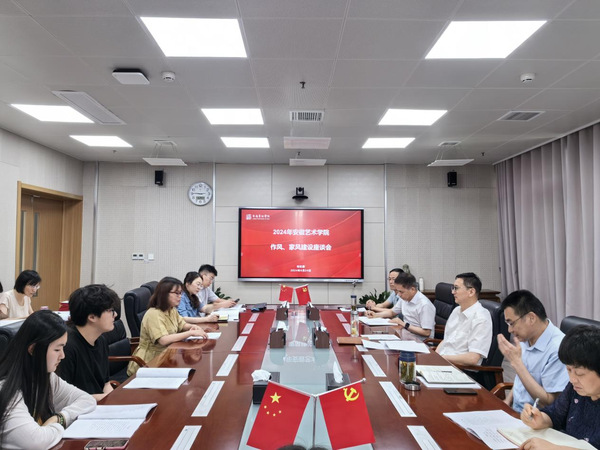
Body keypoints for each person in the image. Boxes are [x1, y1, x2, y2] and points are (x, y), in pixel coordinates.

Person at [0, 310, 96, 449]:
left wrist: (59, 418)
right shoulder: (6, 388)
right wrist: (59, 425)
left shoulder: (45, 377)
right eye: (57, 350)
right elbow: (36, 441)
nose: (62, 356)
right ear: (33, 349)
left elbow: (87, 400)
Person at [520, 325, 600, 449]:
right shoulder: (575, 389)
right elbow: (555, 415)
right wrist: (540, 420)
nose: (572, 379)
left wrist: (555, 448)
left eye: (579, 373)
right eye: (568, 370)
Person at [498, 290, 569, 413]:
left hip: (536, 418)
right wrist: (507, 402)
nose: (509, 330)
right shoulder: (526, 337)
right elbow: (521, 378)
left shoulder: (557, 349)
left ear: (531, 318)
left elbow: (549, 402)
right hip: (515, 411)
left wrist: (517, 363)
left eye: (512, 323)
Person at [127, 277, 208, 376]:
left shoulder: (171, 309)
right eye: (176, 293)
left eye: (181, 293)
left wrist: (192, 327)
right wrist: (190, 333)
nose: (180, 296)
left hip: (167, 356)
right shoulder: (154, 314)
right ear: (164, 294)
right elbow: (163, 340)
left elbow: (182, 324)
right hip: (149, 362)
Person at [58, 284, 120, 401]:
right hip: (76, 408)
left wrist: (114, 401)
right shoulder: (66, 346)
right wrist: (109, 398)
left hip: (97, 405)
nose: (115, 315)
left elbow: (106, 384)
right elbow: (63, 398)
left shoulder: (101, 340)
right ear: (92, 317)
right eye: (111, 311)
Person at [436, 272, 492, 365]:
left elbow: (473, 358)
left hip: (461, 369)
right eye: (453, 288)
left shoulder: (481, 318)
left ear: (471, 292)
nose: (452, 292)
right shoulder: (456, 310)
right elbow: (446, 340)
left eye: (456, 288)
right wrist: (435, 356)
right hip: (444, 362)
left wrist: (442, 358)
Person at [365, 273, 435, 341]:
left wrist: (403, 324)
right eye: (398, 291)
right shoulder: (404, 299)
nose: (399, 295)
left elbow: (426, 332)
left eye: (401, 292)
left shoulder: (424, 305)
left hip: (421, 342)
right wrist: (376, 315)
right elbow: (392, 312)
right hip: (406, 335)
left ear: (412, 289)